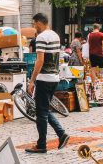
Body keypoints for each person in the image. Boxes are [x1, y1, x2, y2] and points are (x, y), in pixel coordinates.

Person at [26, 13, 69, 154]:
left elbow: (40, 61)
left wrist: (32, 81)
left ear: (39, 22)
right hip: (54, 78)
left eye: (34, 24)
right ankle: (61, 134)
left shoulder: (41, 37)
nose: (34, 27)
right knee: (43, 110)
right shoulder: (55, 35)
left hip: (44, 78)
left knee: (41, 114)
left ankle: (41, 144)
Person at [88, 24, 103, 88]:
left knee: (93, 69)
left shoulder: (89, 35)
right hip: (100, 54)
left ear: (93, 28)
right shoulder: (101, 34)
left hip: (92, 54)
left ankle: (93, 84)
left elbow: (88, 45)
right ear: (99, 28)